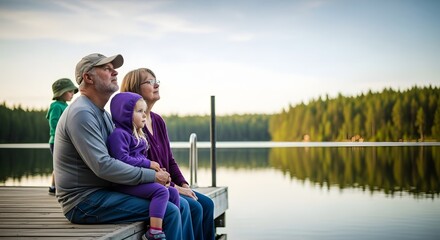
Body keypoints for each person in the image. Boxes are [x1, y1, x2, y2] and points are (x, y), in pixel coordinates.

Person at [53, 53, 189, 240]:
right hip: (84, 202)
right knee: (170, 211)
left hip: (105, 192)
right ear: (88, 77)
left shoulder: (102, 115)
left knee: (173, 198)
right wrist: (152, 176)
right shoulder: (81, 113)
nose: (115, 72)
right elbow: (103, 165)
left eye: (114, 68)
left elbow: (121, 155)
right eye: (107, 69)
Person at [121, 68, 215, 240]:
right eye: (149, 82)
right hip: (151, 189)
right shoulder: (130, 127)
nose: (156, 84)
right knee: (192, 207)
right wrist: (175, 189)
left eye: (156, 80)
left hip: (169, 185)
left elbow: (170, 160)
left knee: (207, 204)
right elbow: (140, 169)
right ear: (135, 89)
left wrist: (184, 184)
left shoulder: (157, 120)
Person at [107, 92, 180, 240]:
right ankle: (154, 232)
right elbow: (122, 159)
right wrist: (149, 164)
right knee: (160, 192)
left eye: (145, 111)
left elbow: (139, 159)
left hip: (137, 179)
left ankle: (165, 223)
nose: (145, 115)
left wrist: (157, 170)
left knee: (172, 192)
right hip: (124, 182)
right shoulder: (119, 135)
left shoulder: (137, 135)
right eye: (140, 111)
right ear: (125, 114)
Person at [46, 78, 78, 195]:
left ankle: (57, 186)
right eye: (69, 91)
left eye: (73, 91)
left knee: (62, 165)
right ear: (60, 93)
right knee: (58, 165)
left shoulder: (66, 106)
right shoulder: (55, 106)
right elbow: (54, 123)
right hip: (57, 141)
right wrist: (62, 137)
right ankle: (54, 187)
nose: (72, 94)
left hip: (65, 141)